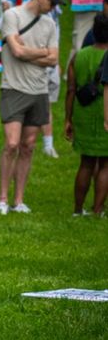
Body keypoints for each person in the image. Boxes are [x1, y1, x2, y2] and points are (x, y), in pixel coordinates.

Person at [0, 0, 60, 215]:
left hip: (39, 90)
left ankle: (18, 200)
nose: (54, 7)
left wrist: (34, 52)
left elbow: (54, 58)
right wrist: (41, 53)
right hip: (13, 86)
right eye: (52, 2)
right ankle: (2, 198)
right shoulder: (13, 16)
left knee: (28, 146)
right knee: (12, 144)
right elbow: (16, 51)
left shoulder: (50, 24)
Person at [64, 15, 108, 217]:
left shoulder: (78, 56)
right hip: (104, 112)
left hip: (83, 112)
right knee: (105, 165)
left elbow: (71, 89)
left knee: (86, 163)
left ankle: (77, 209)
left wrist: (68, 118)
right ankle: (98, 209)